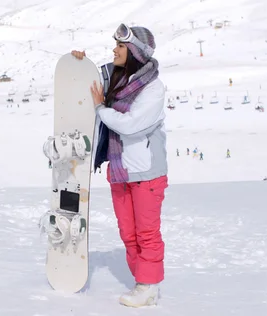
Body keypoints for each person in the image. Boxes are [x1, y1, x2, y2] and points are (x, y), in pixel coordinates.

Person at [72, 23, 168, 308]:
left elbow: (131, 125)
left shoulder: (153, 88)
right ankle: (142, 280)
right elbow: (87, 83)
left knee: (146, 233)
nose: (114, 49)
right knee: (128, 232)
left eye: (121, 46)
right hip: (120, 171)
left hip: (147, 172)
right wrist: (80, 63)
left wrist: (102, 109)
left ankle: (147, 286)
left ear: (136, 52)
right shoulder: (113, 79)